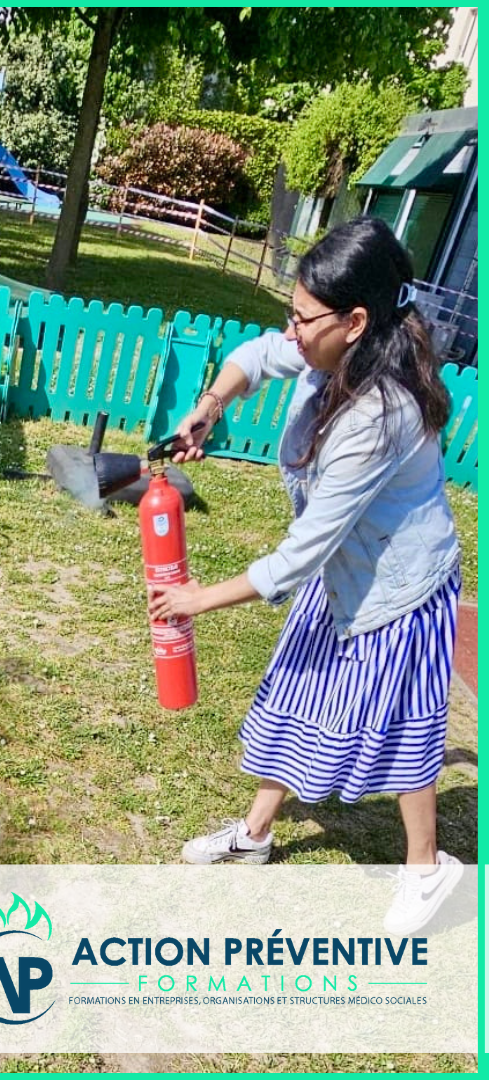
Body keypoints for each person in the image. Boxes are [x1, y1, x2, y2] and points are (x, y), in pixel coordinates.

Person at [147, 216, 463, 935]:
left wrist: (199, 598)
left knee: (401, 730)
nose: (290, 331)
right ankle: (256, 834)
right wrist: (210, 407)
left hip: (399, 588)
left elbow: (303, 551)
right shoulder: (330, 353)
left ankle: (426, 866)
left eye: (301, 318)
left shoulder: (381, 413)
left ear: (355, 321)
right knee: (300, 696)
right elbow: (256, 356)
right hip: (344, 572)